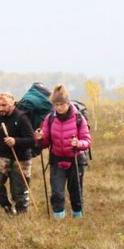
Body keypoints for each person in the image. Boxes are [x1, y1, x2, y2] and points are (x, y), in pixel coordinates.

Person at [35, 84, 92, 218]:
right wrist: (40, 138)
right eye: (55, 104)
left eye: (61, 104)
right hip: (57, 160)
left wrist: (78, 143)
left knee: (76, 192)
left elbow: (87, 141)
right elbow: (46, 142)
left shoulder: (79, 118)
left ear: (68, 102)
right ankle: (59, 223)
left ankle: (78, 218)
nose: (58, 107)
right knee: (57, 193)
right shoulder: (50, 118)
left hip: (76, 159)